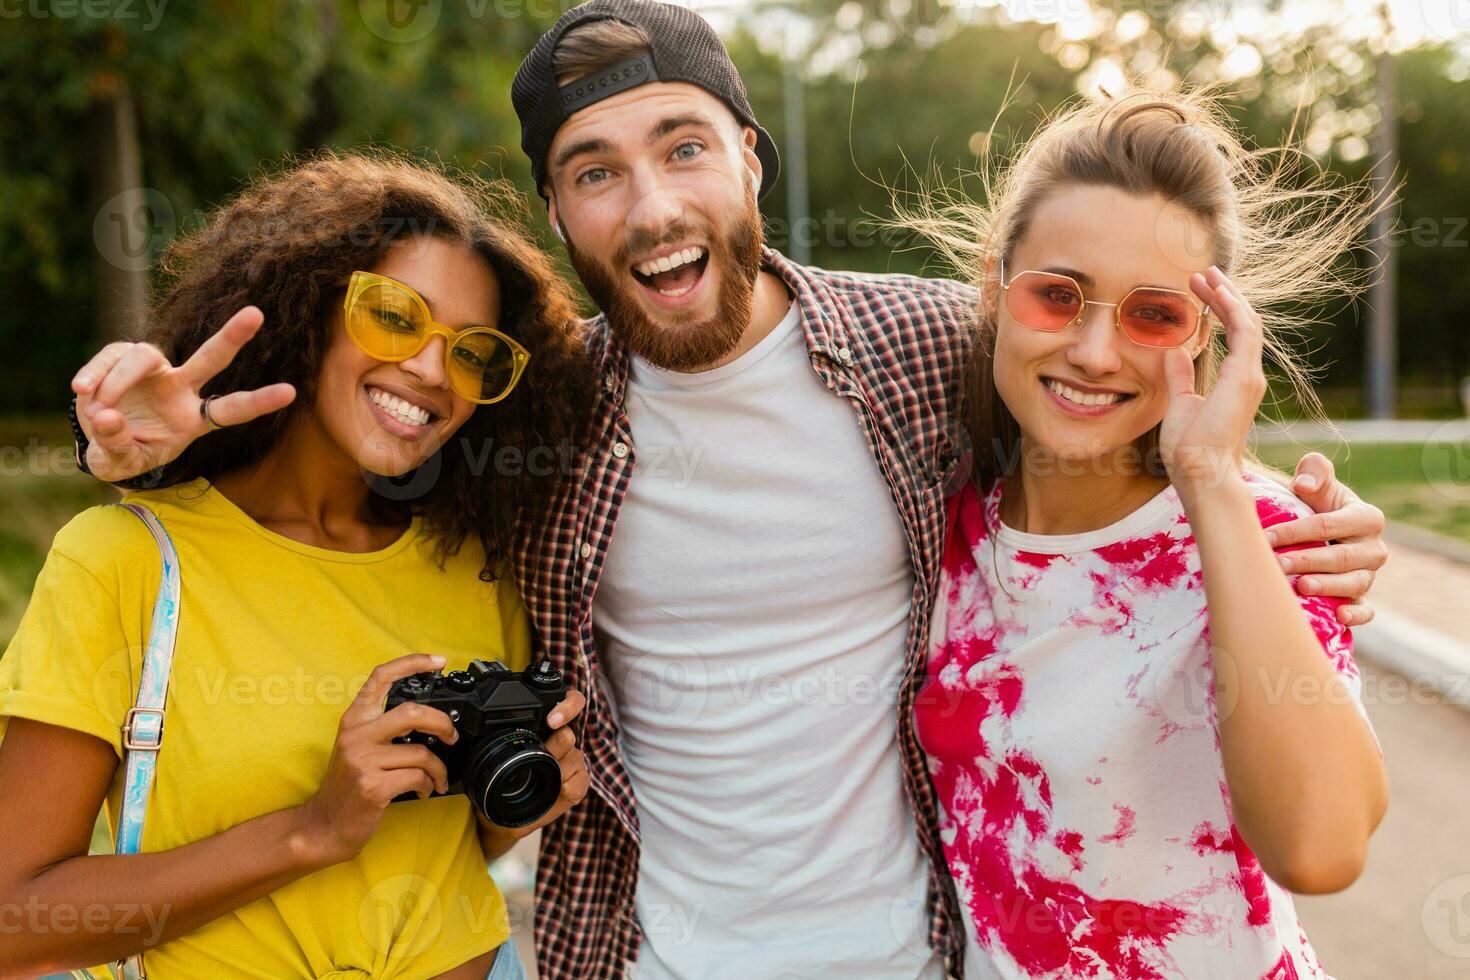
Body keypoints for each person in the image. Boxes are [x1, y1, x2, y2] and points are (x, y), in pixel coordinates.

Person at [65, 3, 1391, 977]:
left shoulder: (926, 343)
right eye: (595, 173)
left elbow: (1105, 396)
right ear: (557, 212)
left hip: (927, 954)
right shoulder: (534, 412)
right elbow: (354, 477)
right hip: (645, 957)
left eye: (683, 147)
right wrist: (160, 452)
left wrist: (1289, 521)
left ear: (749, 158)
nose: (649, 206)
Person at [0, 153, 594, 979]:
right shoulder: (128, 562)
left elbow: (444, 858)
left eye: (472, 353)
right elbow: (13, 921)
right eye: (393, 315)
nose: (430, 369)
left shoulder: (480, 569)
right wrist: (312, 829)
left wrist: (521, 798)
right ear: (309, 310)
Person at [907, 91, 1389, 977]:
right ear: (993, 284)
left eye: (1152, 314)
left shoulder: (1264, 538)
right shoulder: (941, 527)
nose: (1095, 351)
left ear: (1210, 334)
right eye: (1058, 295)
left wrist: (1211, 482)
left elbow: (1321, 849)